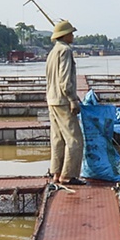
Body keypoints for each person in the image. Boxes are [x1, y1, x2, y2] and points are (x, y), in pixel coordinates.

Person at [45, 18, 84, 185]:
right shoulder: (65, 50)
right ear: (65, 35)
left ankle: (56, 173)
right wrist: (72, 99)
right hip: (62, 100)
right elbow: (64, 79)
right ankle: (68, 175)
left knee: (58, 138)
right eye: (71, 33)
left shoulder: (53, 52)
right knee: (75, 139)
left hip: (52, 99)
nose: (73, 36)